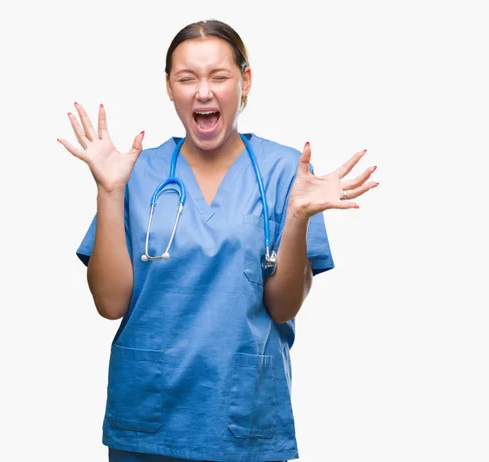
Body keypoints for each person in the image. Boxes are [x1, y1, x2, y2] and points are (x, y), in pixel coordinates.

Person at [58, 19, 378, 462]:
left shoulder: (287, 172)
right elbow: (110, 304)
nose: (202, 92)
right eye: (186, 78)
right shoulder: (134, 173)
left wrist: (300, 216)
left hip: (243, 419)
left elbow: (283, 308)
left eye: (219, 76)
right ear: (169, 87)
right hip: (147, 419)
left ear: (245, 81)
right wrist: (109, 192)